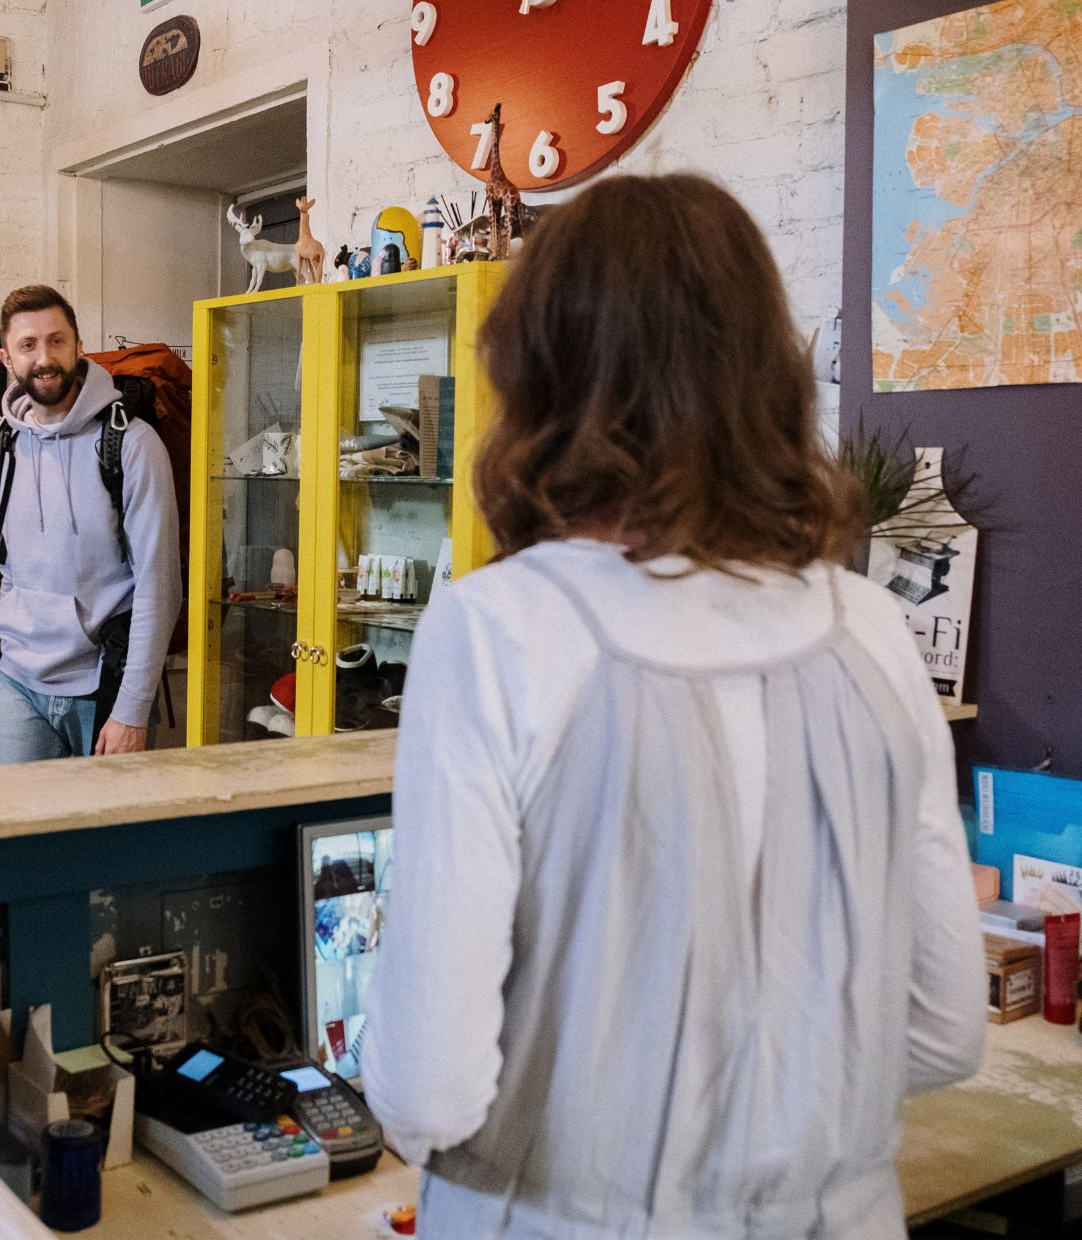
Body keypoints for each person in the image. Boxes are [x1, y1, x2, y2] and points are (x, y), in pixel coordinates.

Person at [365, 174, 985, 1239]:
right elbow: (943, 1032)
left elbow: (428, 1091)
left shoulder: (497, 627)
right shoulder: (874, 630)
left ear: (539, 368)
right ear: (763, 373)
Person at [0, 285, 181, 763]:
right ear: (7, 357)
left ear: (77, 345)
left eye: (56, 341)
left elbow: (159, 585)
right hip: (17, 680)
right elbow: (9, 564)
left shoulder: (131, 444)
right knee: (7, 832)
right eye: (28, 345)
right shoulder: (0, 445)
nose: (44, 357)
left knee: (105, 837)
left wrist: (133, 709)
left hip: (103, 683)